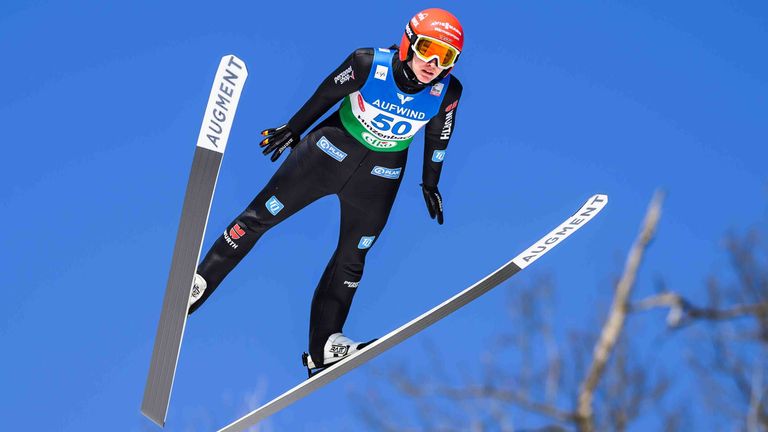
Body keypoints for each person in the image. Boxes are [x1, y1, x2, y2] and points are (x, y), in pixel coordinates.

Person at [187, 8, 464, 376]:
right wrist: (293, 128)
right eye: (428, 49)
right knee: (260, 217)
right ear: (408, 43)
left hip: (380, 176)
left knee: (353, 257)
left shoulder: (447, 90)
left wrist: (430, 182)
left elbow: (439, 136)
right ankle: (200, 281)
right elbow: (327, 93)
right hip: (327, 153)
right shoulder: (369, 64)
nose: (433, 63)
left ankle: (324, 346)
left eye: (446, 57)